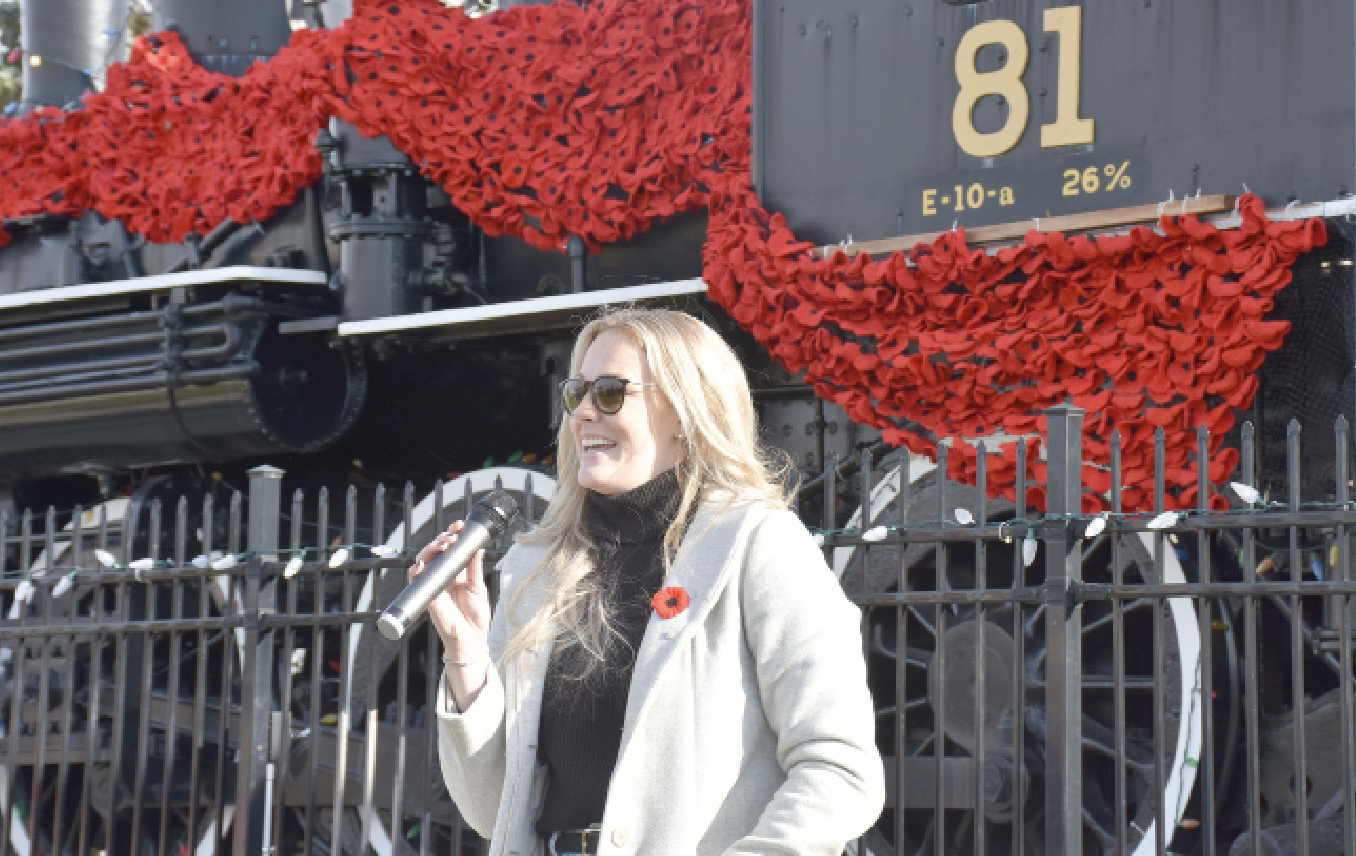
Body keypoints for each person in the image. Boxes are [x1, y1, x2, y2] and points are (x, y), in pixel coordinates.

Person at [410, 307, 884, 856]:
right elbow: (494, 812)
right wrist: (466, 659)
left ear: (685, 409)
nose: (583, 413)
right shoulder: (534, 567)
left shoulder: (758, 545)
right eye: (576, 392)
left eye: (610, 392)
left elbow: (839, 769)